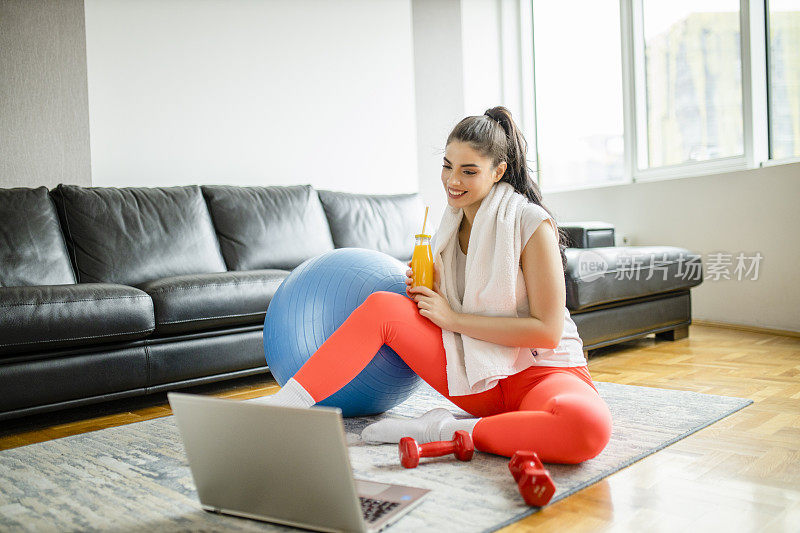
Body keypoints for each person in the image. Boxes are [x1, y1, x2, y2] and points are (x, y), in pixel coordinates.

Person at [255, 106, 612, 464]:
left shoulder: (530, 223)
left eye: (468, 171)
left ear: (498, 171)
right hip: (475, 376)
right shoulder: (450, 223)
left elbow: (547, 332)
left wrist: (452, 318)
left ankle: (440, 431)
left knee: (586, 427)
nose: (453, 181)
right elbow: (456, 304)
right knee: (384, 307)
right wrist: (438, 291)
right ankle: (284, 408)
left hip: (541, 374)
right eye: (447, 166)